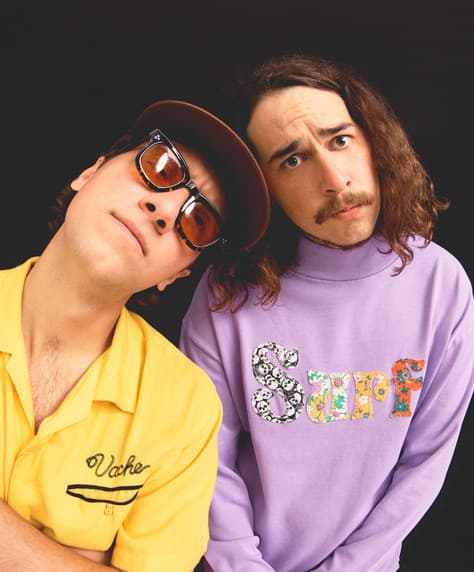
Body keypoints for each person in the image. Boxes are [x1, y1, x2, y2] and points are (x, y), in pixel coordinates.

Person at [179, 54, 474, 571]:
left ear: (373, 141)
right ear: (265, 188)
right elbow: (204, 459)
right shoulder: (227, 293)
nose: (335, 180)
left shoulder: (441, 284)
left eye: (340, 140)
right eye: (292, 160)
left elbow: (424, 464)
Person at [0, 98, 270, 571]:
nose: (163, 210)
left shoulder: (184, 405)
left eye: (199, 220)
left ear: (177, 275)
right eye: (160, 167)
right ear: (89, 173)